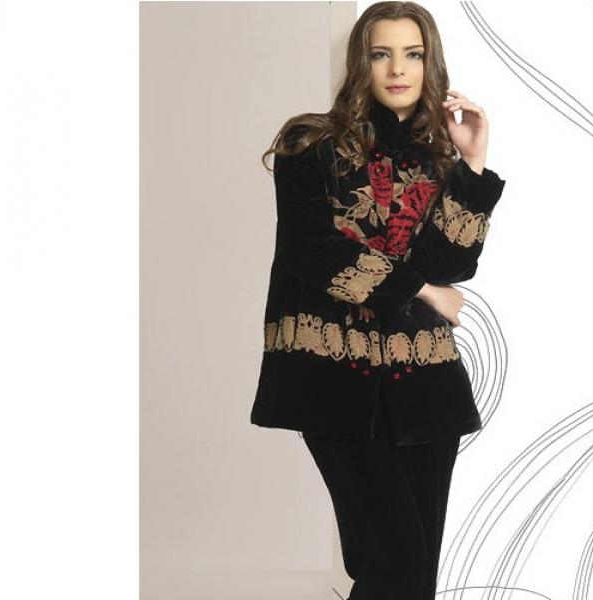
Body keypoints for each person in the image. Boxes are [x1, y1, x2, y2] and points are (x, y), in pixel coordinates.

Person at [250, 2, 507, 597]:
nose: (397, 69)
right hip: (332, 379)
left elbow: (452, 264)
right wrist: (423, 291)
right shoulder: (310, 143)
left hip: (426, 387)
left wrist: (472, 163)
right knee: (396, 563)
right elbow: (312, 252)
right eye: (381, 54)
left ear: (429, 64)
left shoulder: (438, 157)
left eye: (413, 55)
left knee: (410, 577)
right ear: (359, 61)